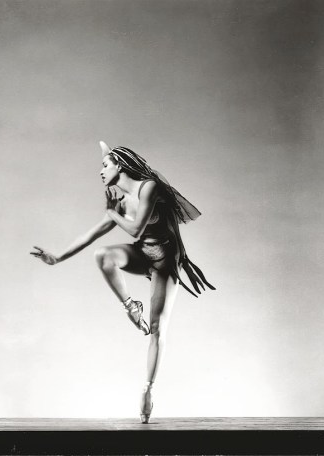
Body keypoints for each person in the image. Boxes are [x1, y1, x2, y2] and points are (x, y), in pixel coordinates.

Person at [31, 141, 215, 423]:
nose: (101, 172)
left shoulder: (149, 187)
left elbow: (137, 227)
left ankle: (148, 390)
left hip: (165, 262)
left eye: (104, 166)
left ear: (120, 164)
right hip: (143, 254)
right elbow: (91, 235)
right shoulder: (120, 203)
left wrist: (112, 214)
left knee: (157, 329)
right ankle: (130, 307)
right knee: (103, 255)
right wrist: (58, 258)